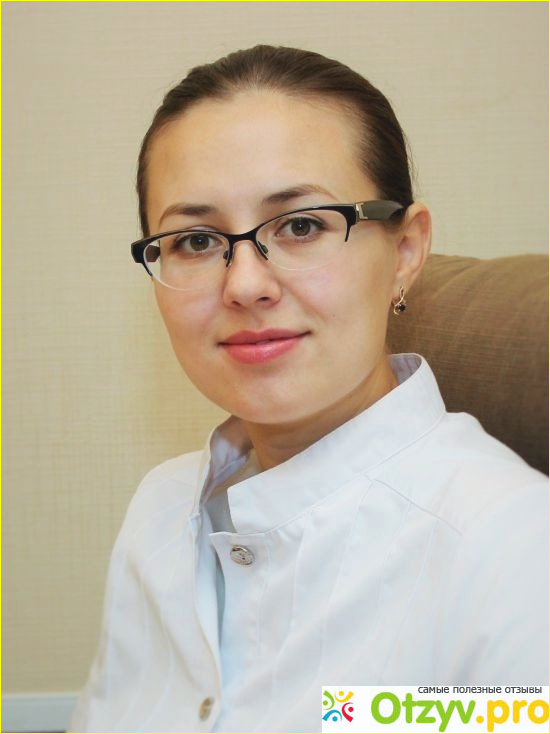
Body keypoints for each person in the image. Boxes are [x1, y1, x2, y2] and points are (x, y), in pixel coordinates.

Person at [70, 45, 548, 733]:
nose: (244, 284)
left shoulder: (511, 548)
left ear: (406, 250)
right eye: (196, 241)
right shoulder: (161, 510)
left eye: (301, 226)